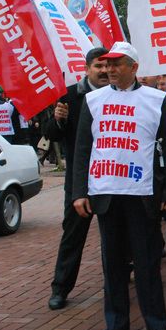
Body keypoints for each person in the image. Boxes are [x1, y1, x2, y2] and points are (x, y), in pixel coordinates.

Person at [73, 42, 166, 330]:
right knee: (113, 263)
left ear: (133, 67)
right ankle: (117, 323)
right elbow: (83, 149)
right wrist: (79, 192)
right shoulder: (92, 101)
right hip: (105, 194)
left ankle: (156, 325)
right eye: (107, 64)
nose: (110, 69)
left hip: (142, 194)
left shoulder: (157, 100)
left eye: (117, 64)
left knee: (147, 264)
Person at [45, 47, 108, 311]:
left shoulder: (119, 95)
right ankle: (60, 288)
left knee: (115, 234)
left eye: (108, 65)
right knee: (72, 234)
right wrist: (58, 120)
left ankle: (119, 278)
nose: (104, 70)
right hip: (79, 180)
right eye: (98, 66)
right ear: (87, 69)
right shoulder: (70, 96)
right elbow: (52, 135)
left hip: (111, 178)